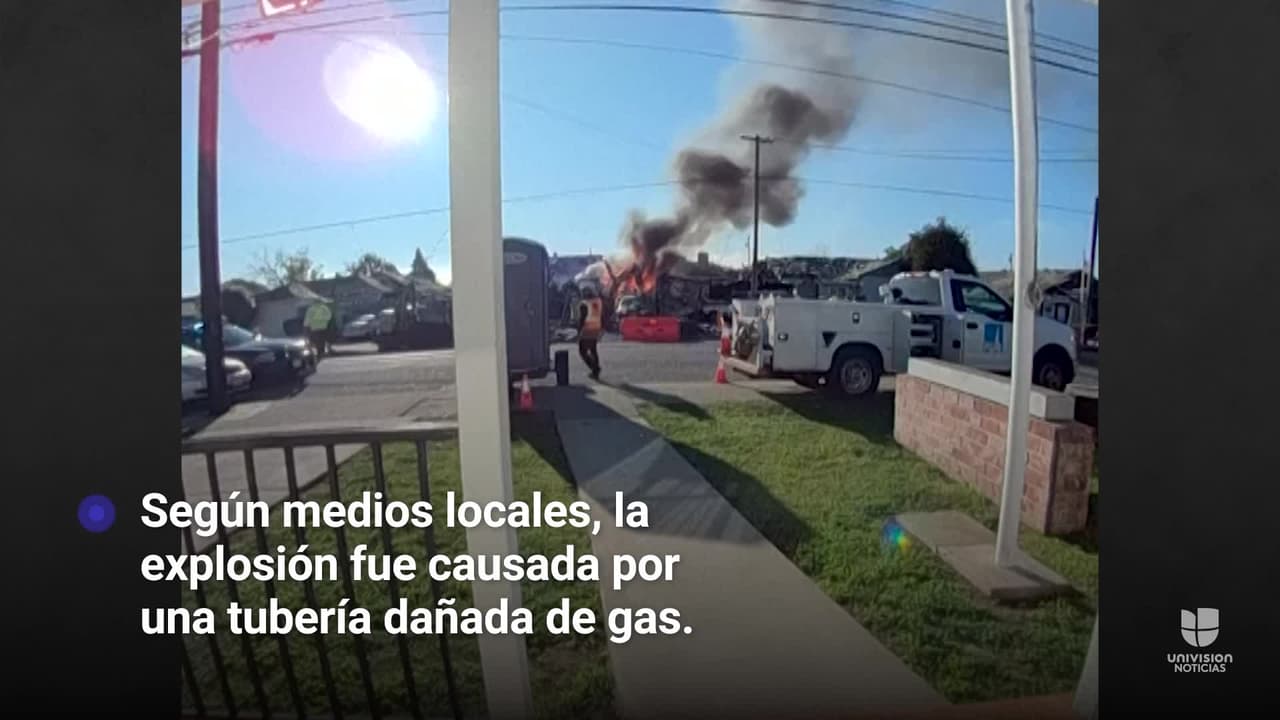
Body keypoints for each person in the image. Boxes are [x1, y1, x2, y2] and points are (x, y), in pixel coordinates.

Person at [575, 283, 603, 380]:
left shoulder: (584, 304)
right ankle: (595, 370)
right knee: (593, 350)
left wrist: (579, 332)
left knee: (582, 351)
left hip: (587, 328)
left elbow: (582, 319)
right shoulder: (598, 301)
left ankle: (595, 368)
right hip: (596, 327)